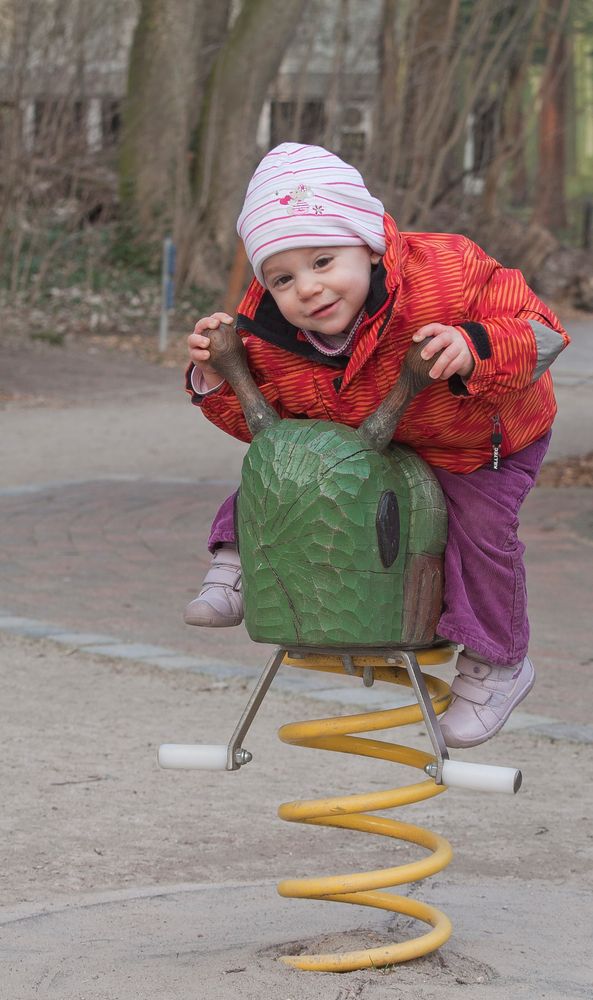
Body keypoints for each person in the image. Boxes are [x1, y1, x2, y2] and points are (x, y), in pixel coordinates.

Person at [183, 142, 569, 749]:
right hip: (363, 439)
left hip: (473, 435)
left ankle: (499, 662)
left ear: (367, 242)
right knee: (283, 461)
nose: (307, 289)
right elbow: (261, 427)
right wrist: (214, 380)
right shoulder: (267, 329)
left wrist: (476, 346)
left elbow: (541, 330)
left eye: (324, 260)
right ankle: (238, 561)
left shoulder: (448, 271)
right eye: (282, 277)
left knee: (479, 535)